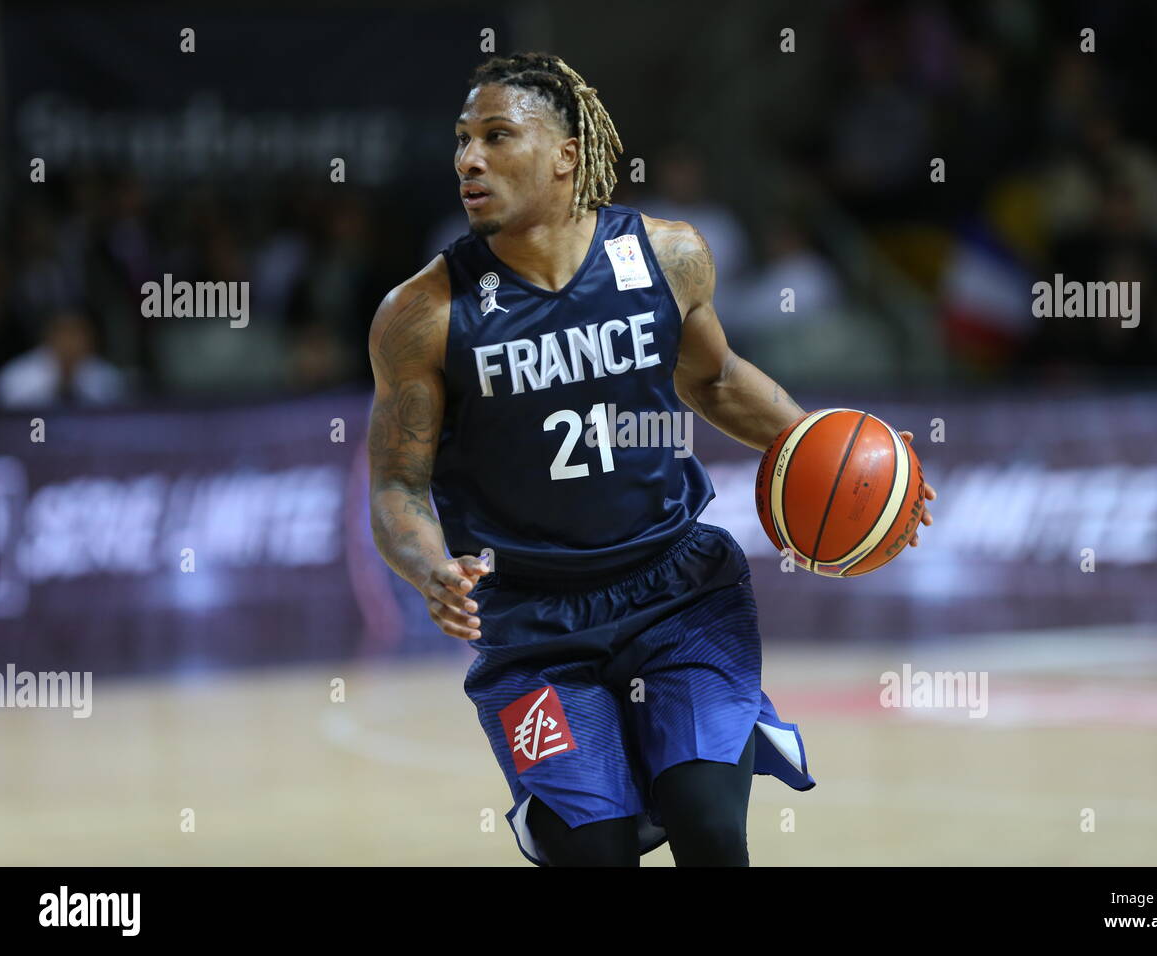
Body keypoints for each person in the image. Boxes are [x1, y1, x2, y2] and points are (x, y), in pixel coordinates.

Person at [367, 52, 935, 866]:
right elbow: (396, 484)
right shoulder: (421, 313)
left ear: (567, 152)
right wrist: (430, 569)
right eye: (462, 140)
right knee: (595, 849)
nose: (468, 159)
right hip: (532, 621)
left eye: (497, 136)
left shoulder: (667, 257)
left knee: (706, 822)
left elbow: (716, 380)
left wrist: (845, 459)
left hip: (679, 594)